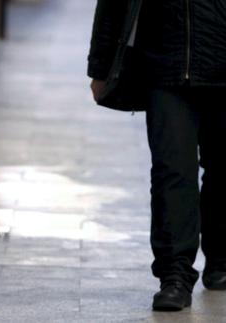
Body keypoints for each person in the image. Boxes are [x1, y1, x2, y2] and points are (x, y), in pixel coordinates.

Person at [88, 0, 226, 312]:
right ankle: (174, 276)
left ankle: (221, 258)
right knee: (172, 170)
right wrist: (100, 64)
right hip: (165, 63)